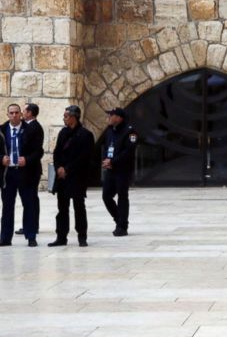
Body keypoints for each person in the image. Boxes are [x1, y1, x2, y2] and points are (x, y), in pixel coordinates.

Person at [0, 103, 43, 247]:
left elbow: (39, 151)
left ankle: (31, 236)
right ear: (7, 115)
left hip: (26, 173)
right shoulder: (1, 130)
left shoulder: (30, 129)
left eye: (17, 112)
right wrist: (1, 159)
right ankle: (5, 238)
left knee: (29, 205)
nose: (14, 115)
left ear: (21, 114)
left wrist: (27, 160)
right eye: (11, 113)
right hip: (8, 174)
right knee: (7, 207)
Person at [48, 105, 95, 247]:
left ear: (74, 117)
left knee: (79, 207)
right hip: (62, 177)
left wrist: (67, 169)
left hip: (77, 177)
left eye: (66, 116)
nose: (64, 119)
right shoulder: (63, 133)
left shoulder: (85, 135)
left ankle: (82, 235)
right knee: (62, 208)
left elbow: (84, 157)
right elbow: (57, 153)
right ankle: (61, 236)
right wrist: (58, 168)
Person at [101, 107, 137, 237]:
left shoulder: (129, 132)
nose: (109, 117)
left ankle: (122, 226)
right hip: (110, 169)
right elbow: (105, 146)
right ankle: (119, 220)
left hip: (122, 170)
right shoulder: (110, 131)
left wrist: (113, 161)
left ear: (119, 118)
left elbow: (128, 152)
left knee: (122, 197)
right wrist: (106, 159)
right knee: (106, 196)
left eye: (111, 115)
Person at [14, 103, 43, 237]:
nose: (21, 113)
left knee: (29, 199)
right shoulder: (28, 126)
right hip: (27, 169)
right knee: (30, 199)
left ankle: (30, 226)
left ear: (30, 113)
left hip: (30, 170)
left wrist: (26, 159)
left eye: (23, 110)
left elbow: (37, 151)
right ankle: (31, 225)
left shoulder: (33, 127)